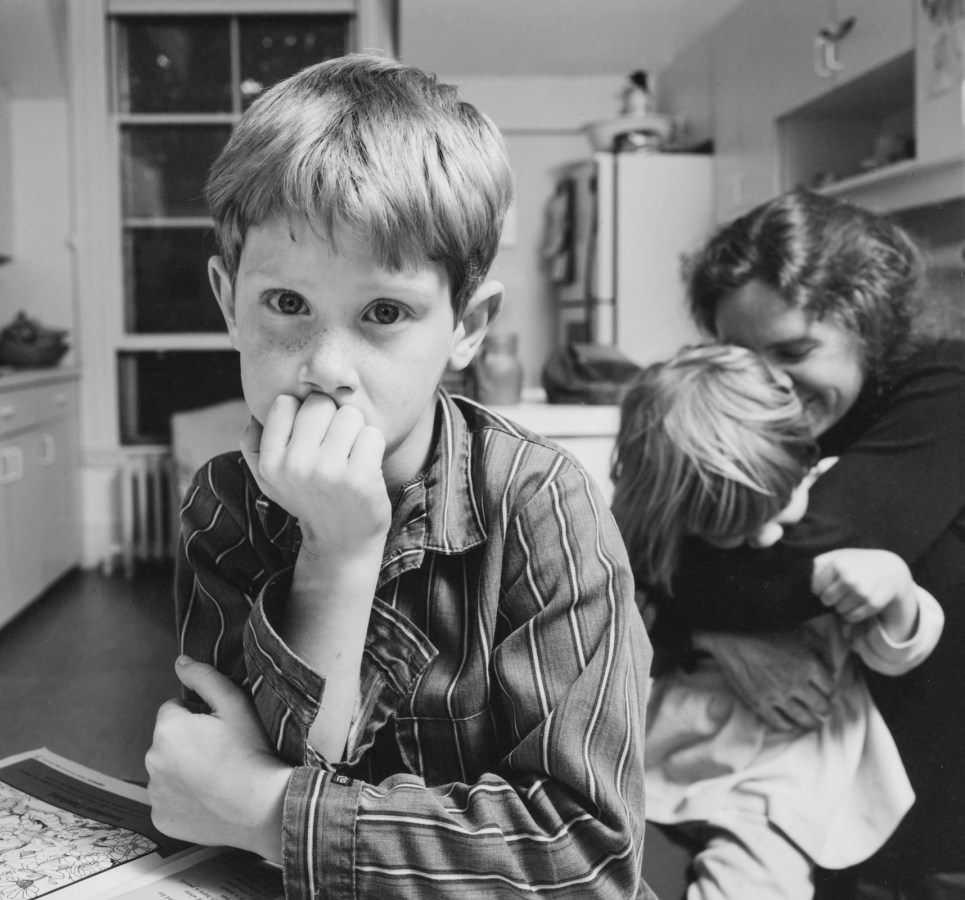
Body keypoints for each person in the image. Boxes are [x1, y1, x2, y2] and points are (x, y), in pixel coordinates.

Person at [143, 53, 654, 900]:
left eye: (384, 313)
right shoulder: (225, 503)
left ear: (466, 325)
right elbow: (210, 791)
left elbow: (584, 856)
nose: (325, 367)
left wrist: (275, 815)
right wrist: (336, 557)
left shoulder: (539, 504)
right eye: (286, 304)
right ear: (228, 301)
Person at [650, 188, 965, 898]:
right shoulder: (756, 422)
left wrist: (698, 610)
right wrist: (719, 629)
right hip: (796, 781)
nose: (767, 382)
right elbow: (637, 537)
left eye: (794, 351)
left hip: (924, 809)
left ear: (866, 323)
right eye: (739, 355)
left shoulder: (947, 389)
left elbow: (794, 569)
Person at [611, 343, 944, 900]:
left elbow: (892, 651)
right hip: (674, 745)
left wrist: (898, 591)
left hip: (784, 770)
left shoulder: (839, 510)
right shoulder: (657, 541)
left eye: (778, 508)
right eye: (737, 532)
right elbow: (637, 635)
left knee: (753, 879)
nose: (766, 539)